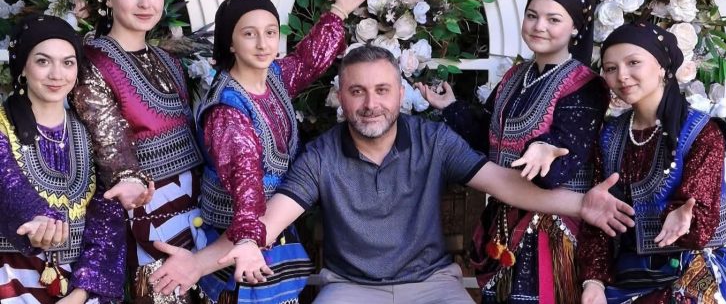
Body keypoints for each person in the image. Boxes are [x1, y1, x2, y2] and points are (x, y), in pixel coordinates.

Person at [147, 44, 634, 304]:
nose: (370, 103)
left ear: (401, 94)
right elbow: (266, 222)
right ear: (341, 97)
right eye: (357, 91)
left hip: (434, 285)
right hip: (349, 289)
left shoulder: (432, 140)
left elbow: (505, 184)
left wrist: (580, 204)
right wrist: (195, 265)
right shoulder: (321, 155)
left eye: (382, 90)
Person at [417, 0, 608, 303]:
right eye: (532, 16)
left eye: (553, 19)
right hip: (504, 222)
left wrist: (546, 150)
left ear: (576, 27)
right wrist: (451, 107)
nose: (539, 26)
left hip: (550, 230)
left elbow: (563, 162)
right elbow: (488, 140)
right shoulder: (515, 76)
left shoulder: (585, 86)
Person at [185, 0, 373, 303]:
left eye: (270, 32)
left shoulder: (273, 76)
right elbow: (244, 177)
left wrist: (339, 10)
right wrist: (248, 238)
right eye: (249, 34)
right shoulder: (228, 110)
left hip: (271, 226)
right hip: (238, 232)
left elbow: (308, 61)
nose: (263, 44)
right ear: (231, 42)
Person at [578, 22, 726, 304]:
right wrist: (593, 281)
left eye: (633, 62)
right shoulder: (609, 136)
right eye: (610, 68)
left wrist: (685, 216)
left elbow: (700, 221)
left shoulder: (702, 132)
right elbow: (598, 222)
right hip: (628, 277)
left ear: (662, 67)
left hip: (689, 272)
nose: (622, 75)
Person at [71, 0, 204, 303]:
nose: (145, 2)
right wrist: (128, 180)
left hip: (197, 205)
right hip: (144, 207)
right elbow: (107, 137)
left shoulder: (169, 60)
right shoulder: (92, 61)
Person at [0, 14, 126, 303]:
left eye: (68, 62)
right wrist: (34, 218)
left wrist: (81, 294)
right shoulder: (3, 127)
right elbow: (8, 184)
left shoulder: (90, 131)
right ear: (23, 68)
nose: (57, 74)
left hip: (80, 284)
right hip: (12, 280)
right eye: (43, 61)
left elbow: (108, 221)